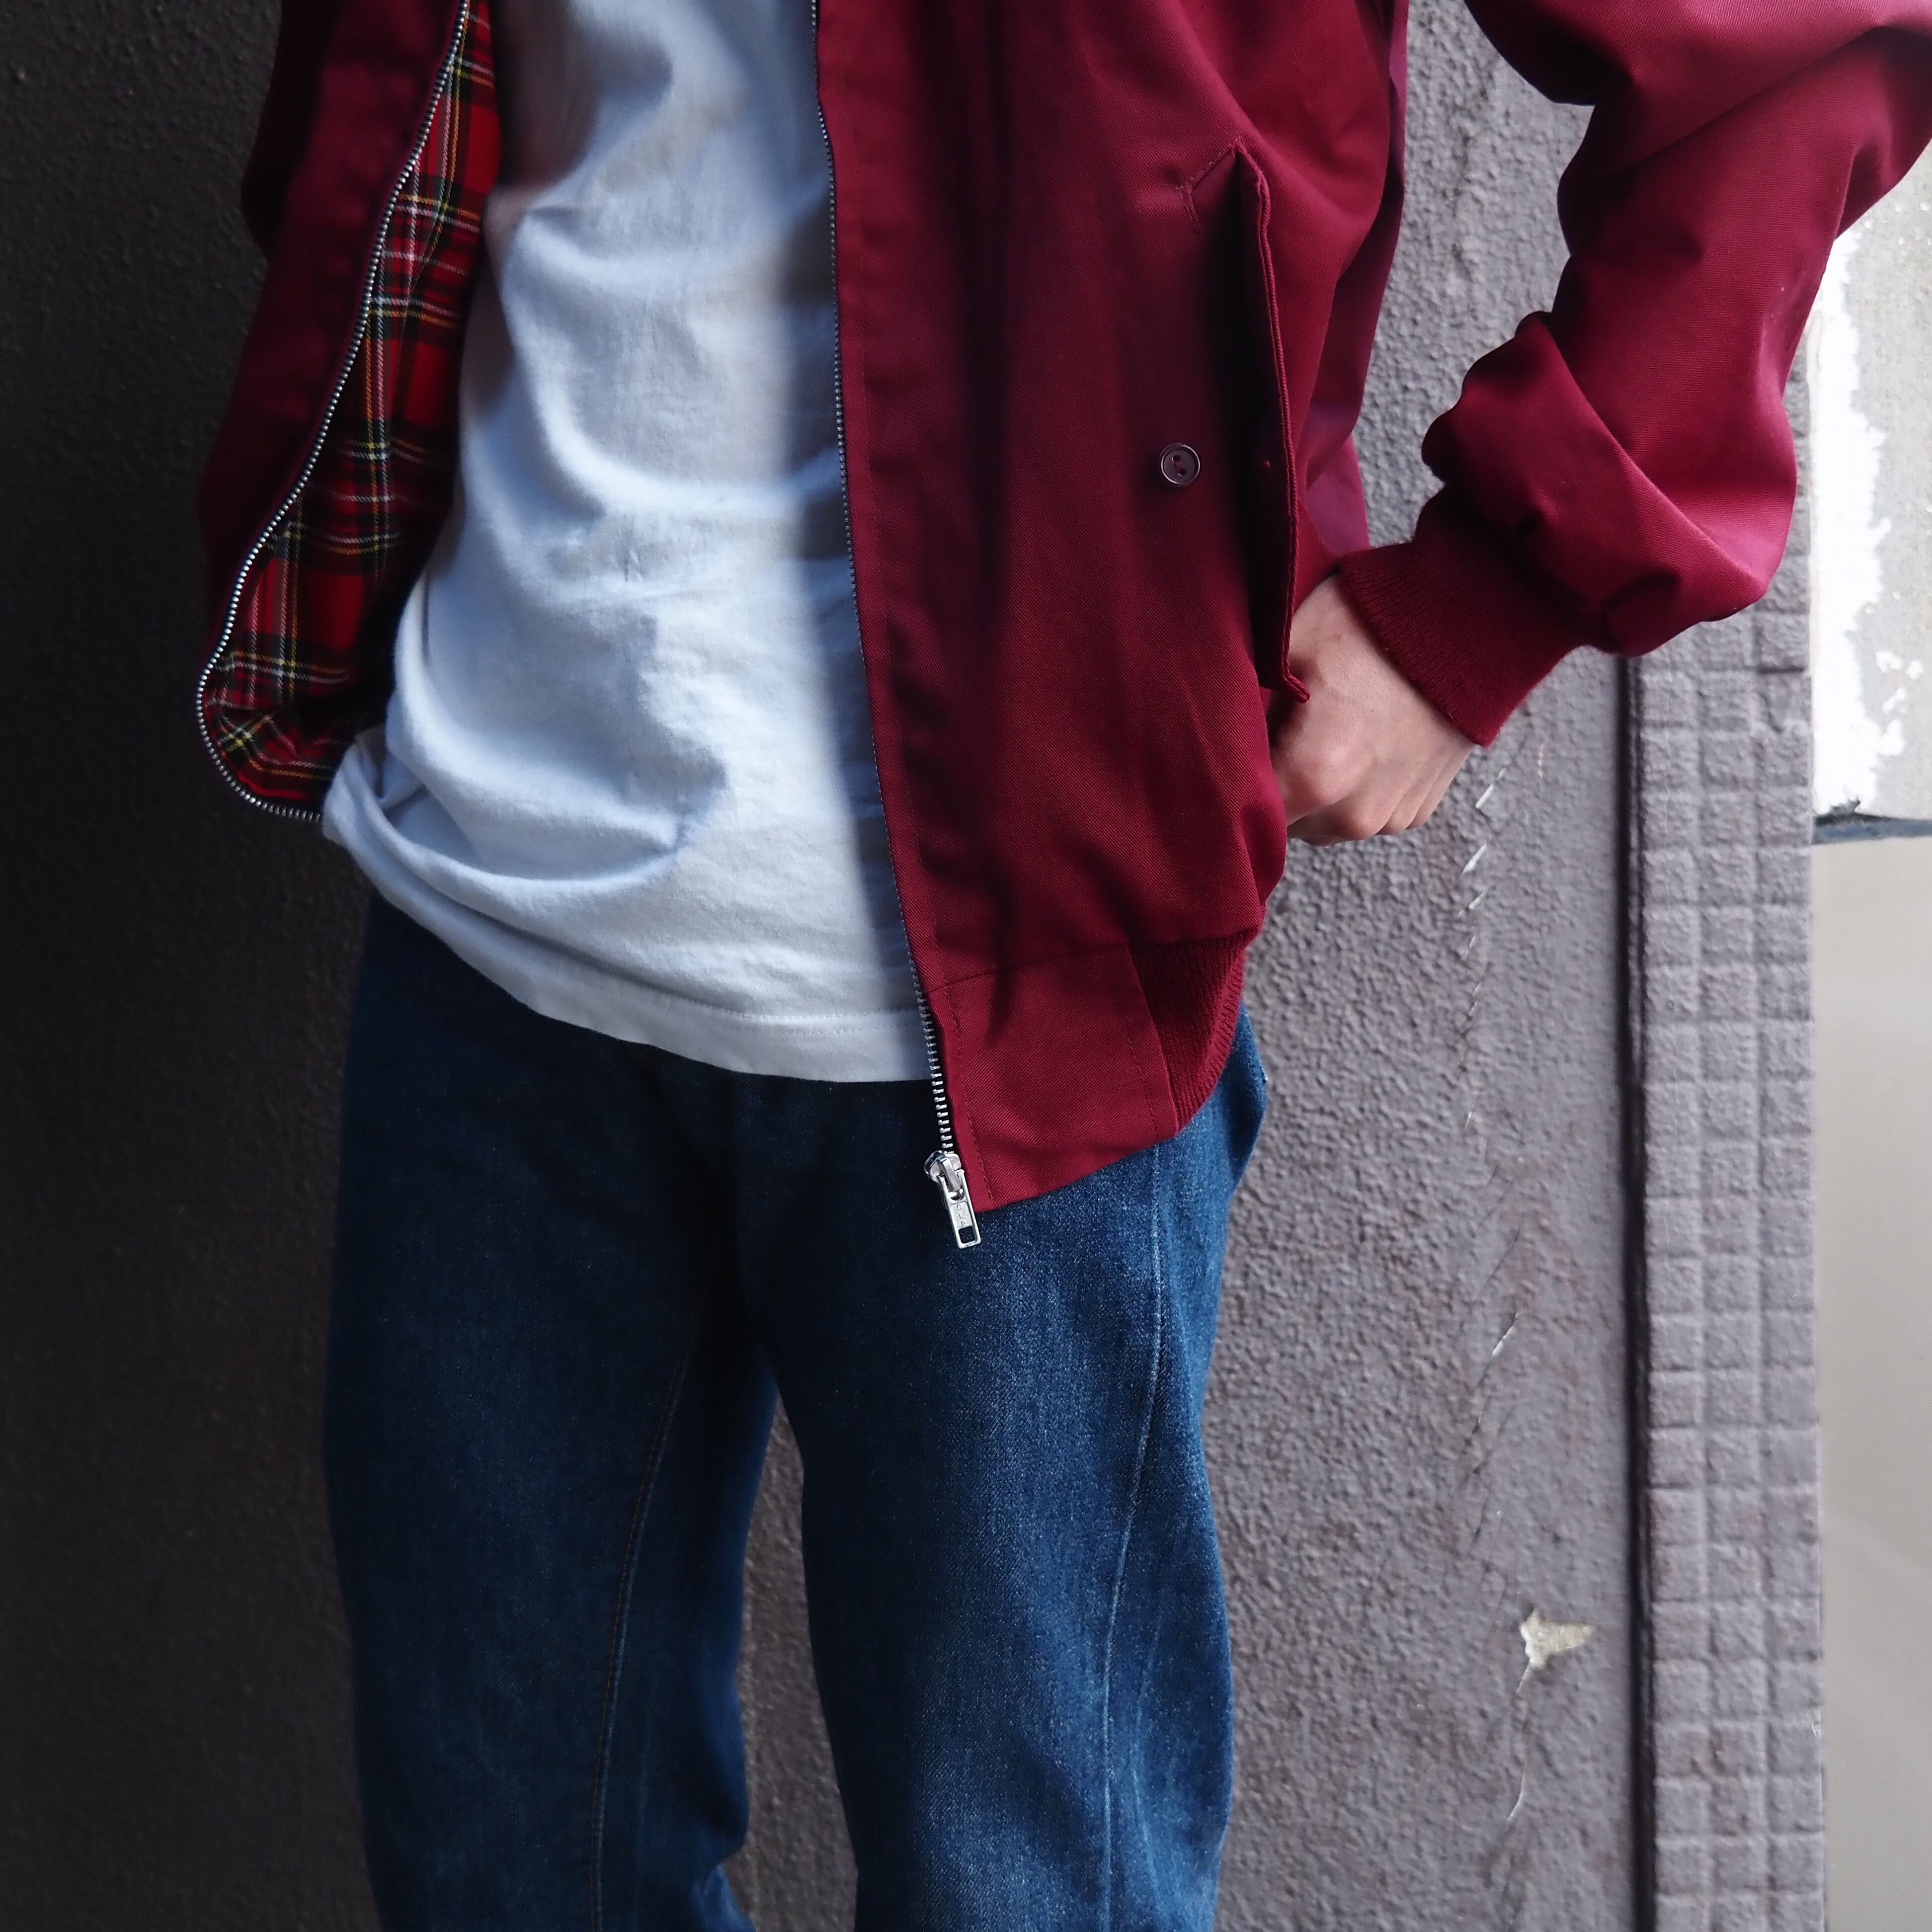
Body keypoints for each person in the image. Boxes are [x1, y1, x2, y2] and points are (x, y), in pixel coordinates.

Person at [198, 0, 1932, 1923]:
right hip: (490, 908)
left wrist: (1485, 602)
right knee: (502, 1879)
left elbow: (1795, 53)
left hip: (1025, 971)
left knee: (1026, 1894)